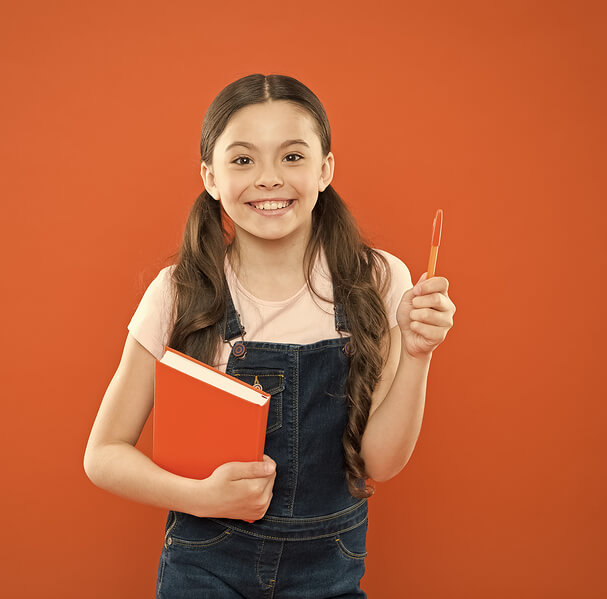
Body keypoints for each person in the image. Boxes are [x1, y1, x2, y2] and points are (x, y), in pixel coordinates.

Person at [84, 73, 456, 598]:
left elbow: (380, 462)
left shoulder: (377, 280)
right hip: (205, 571)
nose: (268, 179)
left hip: (329, 573)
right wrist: (202, 497)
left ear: (325, 168)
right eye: (242, 160)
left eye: (292, 156)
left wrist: (419, 354)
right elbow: (103, 454)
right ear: (210, 177)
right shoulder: (179, 291)